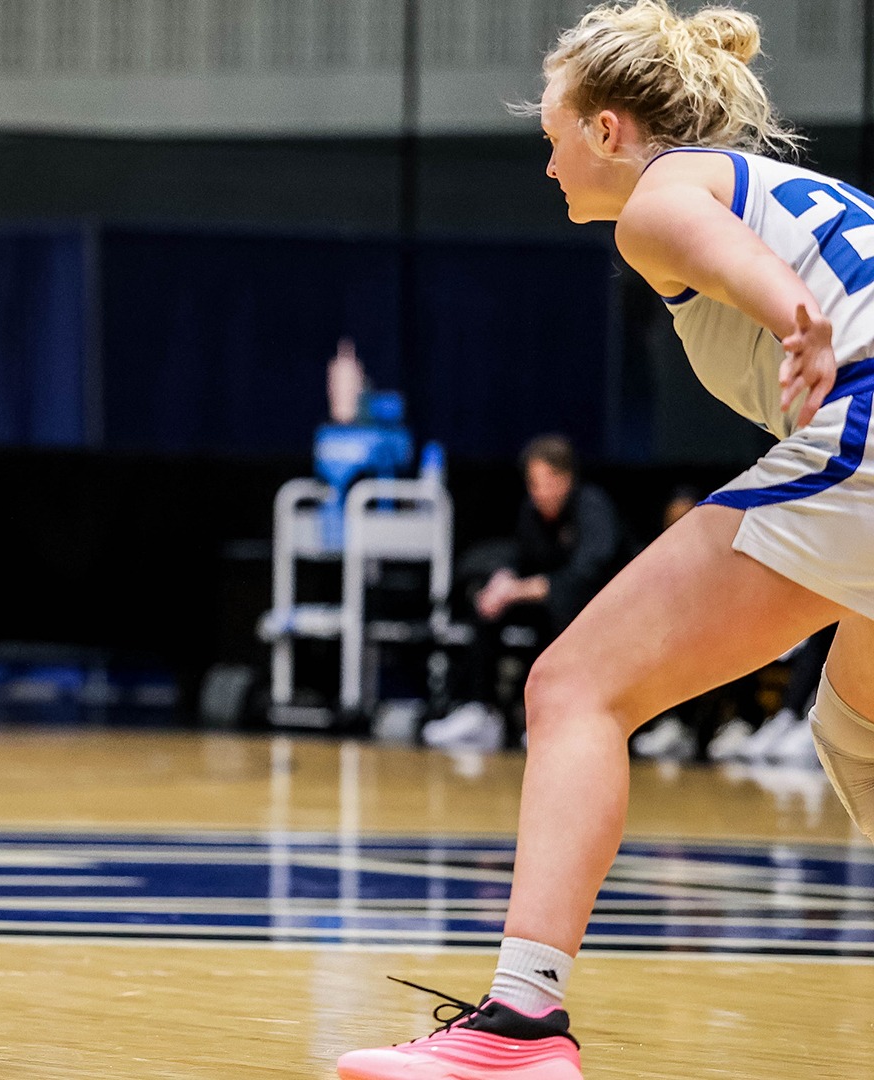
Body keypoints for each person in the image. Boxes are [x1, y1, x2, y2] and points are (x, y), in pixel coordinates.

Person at [340, 3, 874, 1078]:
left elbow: (711, 251)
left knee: (575, 687)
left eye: (550, 136)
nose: (545, 166)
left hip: (861, 422)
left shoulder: (667, 193)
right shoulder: (804, 196)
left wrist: (789, 316)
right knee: (859, 723)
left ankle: (519, 1026)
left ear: (608, 131)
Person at [423, 435, 624, 751]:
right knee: (488, 603)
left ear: (565, 478)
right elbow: (523, 558)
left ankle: (560, 715)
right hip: (544, 606)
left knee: (565, 609)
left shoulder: (592, 508)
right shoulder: (531, 513)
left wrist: (518, 590)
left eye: (543, 483)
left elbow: (585, 576)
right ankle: (481, 710)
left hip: (598, 610)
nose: (537, 492)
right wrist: (503, 581)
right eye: (532, 484)